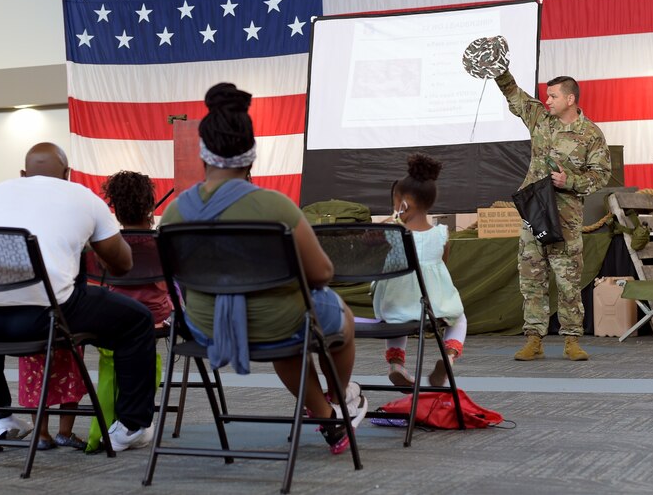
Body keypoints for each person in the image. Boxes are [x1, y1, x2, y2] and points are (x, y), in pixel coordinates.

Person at [159, 83, 367, 455]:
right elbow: (321, 275)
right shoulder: (275, 207)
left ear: (203, 155)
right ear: (251, 157)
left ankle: (327, 417)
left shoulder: (175, 213)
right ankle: (339, 397)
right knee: (336, 320)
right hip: (278, 326)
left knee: (289, 329)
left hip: (206, 329)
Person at [0, 142, 157, 452]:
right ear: (67, 174)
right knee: (138, 321)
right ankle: (132, 425)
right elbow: (123, 265)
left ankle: (0, 417)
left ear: (23, 174)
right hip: (44, 318)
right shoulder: (83, 197)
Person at [494, 64, 611, 361]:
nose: (547, 101)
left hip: (566, 218)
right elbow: (515, 96)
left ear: (570, 99)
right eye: (547, 96)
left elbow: (601, 175)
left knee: (567, 280)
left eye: (553, 96)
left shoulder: (590, 134)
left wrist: (568, 181)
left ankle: (572, 340)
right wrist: (499, 72)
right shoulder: (540, 120)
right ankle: (534, 339)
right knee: (531, 279)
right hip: (534, 213)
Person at [372, 153, 467, 387]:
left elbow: (367, 239)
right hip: (433, 308)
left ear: (400, 202)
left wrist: (393, 217)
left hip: (395, 306)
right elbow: (442, 265)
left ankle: (396, 364)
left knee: (397, 317)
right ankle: (449, 356)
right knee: (459, 318)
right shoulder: (442, 233)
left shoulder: (391, 233)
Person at [102, 170, 172, 326]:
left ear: (117, 212)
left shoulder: (108, 245)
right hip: (157, 313)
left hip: (117, 312)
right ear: (150, 206)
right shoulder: (162, 244)